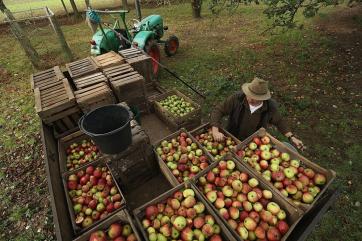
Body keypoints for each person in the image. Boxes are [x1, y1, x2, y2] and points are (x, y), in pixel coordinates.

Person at [210, 77, 305, 150]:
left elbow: (279, 121)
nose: (250, 99)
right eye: (249, 95)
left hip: (253, 144)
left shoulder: (269, 107)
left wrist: (292, 137)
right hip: (232, 138)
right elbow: (219, 110)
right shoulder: (237, 99)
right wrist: (215, 130)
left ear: (262, 98)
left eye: (254, 97)